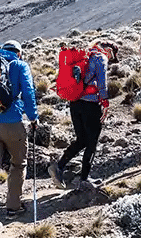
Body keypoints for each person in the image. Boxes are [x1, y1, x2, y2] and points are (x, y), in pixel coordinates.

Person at [0, 40, 39, 233]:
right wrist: (33, 118)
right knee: (18, 163)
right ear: (19, 53)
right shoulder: (20, 65)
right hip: (13, 122)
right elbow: (29, 92)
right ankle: (13, 207)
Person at [49, 41, 119, 191]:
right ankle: (84, 179)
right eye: (112, 53)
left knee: (81, 140)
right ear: (107, 49)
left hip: (75, 103)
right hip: (91, 104)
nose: (110, 57)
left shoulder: (85, 55)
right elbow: (102, 82)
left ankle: (59, 167)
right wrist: (105, 103)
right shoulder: (100, 57)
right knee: (92, 142)